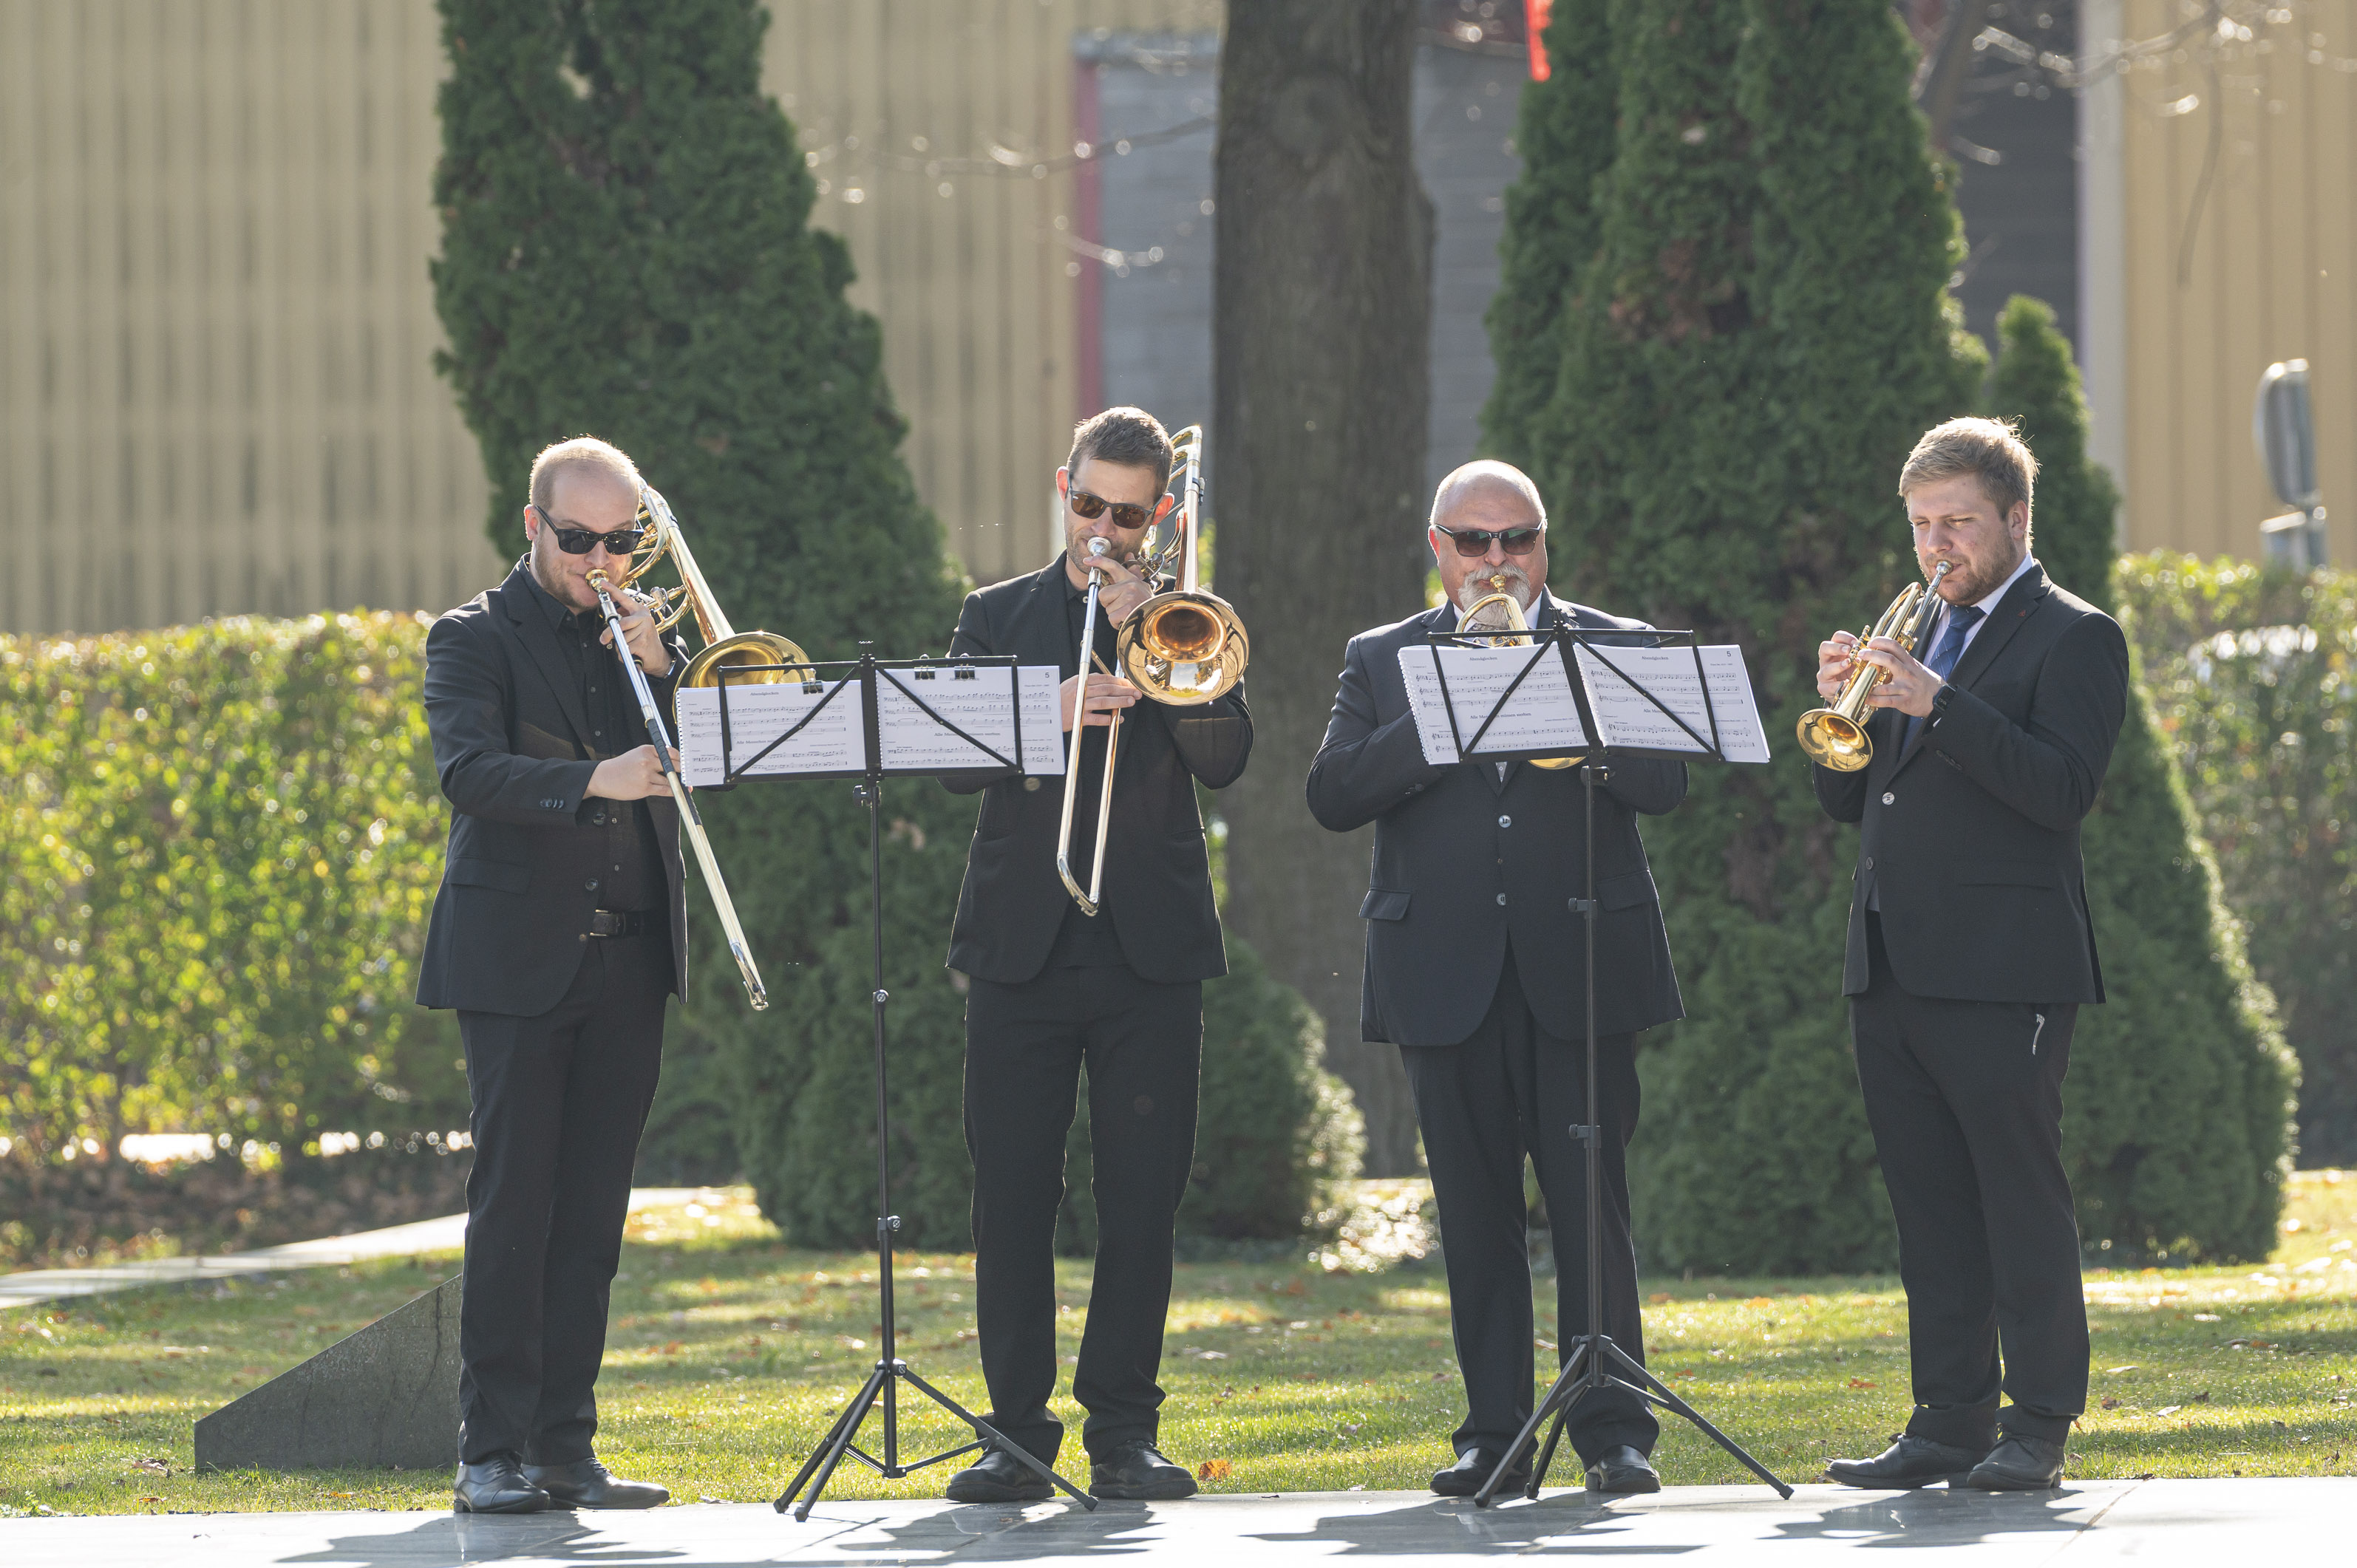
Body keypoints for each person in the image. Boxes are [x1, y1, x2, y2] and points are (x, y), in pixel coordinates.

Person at [1306, 460, 1684, 1497]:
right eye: (1473, 542)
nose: (1496, 562)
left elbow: (1666, 781)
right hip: (1443, 971)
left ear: (1543, 543)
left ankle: (1614, 1429)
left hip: (1582, 965)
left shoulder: (1610, 645)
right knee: (1473, 1214)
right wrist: (1444, 717)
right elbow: (1333, 793)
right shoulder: (1382, 658)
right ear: (1437, 548)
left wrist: (1578, 706)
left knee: (1589, 1204)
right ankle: (1495, 1434)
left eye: (1516, 538)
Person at [937, 406, 1251, 1504]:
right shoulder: (996, 614)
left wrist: (1151, 636)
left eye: (1128, 514)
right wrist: (1048, 708)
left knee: (1140, 1197)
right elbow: (946, 765)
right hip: (1022, 950)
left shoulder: (1186, 619)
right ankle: (1014, 1433)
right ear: (1058, 488)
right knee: (1012, 1196)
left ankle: (1123, 1432)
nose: (1105, 532)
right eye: (1088, 507)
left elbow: (1228, 759)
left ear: (1159, 513)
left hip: (1148, 954)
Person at [1813, 417, 2129, 1491]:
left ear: (2015, 519)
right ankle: (1946, 1418)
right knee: (1930, 1200)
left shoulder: (2074, 635)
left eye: (1957, 522)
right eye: (1921, 525)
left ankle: (2036, 1420)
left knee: (2015, 1192)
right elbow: (1848, 792)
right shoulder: (1911, 629)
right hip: (1892, 955)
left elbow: (2059, 790)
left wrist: (1936, 702)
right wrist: (1844, 705)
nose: (1937, 544)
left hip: (2004, 962)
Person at [417, 436, 685, 1514]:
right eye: (579, 540)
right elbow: (467, 771)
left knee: (592, 1214)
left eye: (621, 540)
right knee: (515, 1203)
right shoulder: (472, 636)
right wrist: (594, 780)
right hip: (519, 959)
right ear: (533, 528)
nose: (600, 559)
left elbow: (695, 761)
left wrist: (660, 672)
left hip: (628, 954)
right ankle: (492, 1450)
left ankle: (567, 1446)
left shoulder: (635, 640)